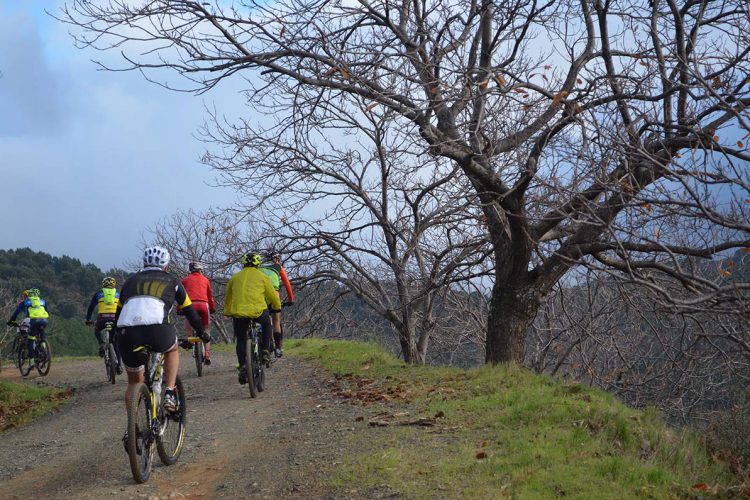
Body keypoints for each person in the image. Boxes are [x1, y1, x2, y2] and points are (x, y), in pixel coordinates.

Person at [116, 246, 209, 424]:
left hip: (127, 332)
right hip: (157, 329)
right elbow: (190, 312)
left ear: (144, 264)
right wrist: (202, 334)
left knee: (134, 382)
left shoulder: (129, 282)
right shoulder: (172, 281)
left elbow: (117, 315)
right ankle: (169, 392)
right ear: (166, 266)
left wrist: (116, 336)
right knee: (172, 349)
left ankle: (132, 426)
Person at [225, 251, 281, 384]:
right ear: (258, 264)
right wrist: (277, 307)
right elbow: (272, 295)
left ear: (244, 263)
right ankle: (266, 350)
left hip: (239, 314)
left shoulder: (235, 277)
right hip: (258, 312)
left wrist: (227, 311)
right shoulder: (262, 277)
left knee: (241, 339)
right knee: (267, 325)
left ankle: (243, 365)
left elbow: (228, 297)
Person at [259, 249, 294, 357]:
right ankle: (278, 348)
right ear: (276, 259)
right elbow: (287, 285)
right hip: (274, 294)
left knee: (262, 318)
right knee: (276, 320)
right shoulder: (278, 267)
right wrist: (291, 300)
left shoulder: (258, 268)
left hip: (259, 295)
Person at [180, 261, 216, 365]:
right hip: (204, 305)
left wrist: (179, 309)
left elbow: (181, 296)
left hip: (190, 305)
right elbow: (210, 297)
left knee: (188, 323)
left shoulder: (185, 280)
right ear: (201, 270)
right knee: (206, 328)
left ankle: (190, 342)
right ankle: (207, 353)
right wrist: (212, 308)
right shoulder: (205, 280)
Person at [85, 276, 123, 372]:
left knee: (97, 330)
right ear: (114, 285)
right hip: (115, 319)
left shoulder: (98, 294)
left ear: (103, 285)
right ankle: (119, 364)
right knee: (115, 342)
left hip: (102, 319)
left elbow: (91, 308)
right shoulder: (118, 294)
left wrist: (88, 319)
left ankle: (101, 344)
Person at [6, 288, 50, 367]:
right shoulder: (42, 301)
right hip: (44, 320)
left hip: (33, 320)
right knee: (41, 332)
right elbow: (47, 311)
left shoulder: (25, 302)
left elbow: (16, 313)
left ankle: (32, 361)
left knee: (30, 338)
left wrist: (11, 321)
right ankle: (44, 350)